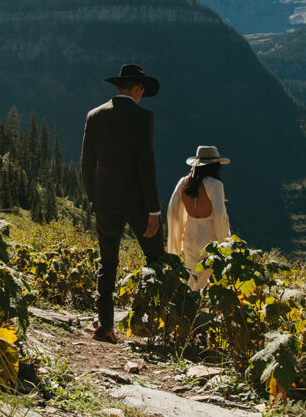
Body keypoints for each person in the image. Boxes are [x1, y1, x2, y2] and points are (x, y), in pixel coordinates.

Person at [81, 63, 166, 343]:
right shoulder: (143, 117)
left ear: (118, 86)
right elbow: (146, 166)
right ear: (138, 88)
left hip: (104, 200)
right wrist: (153, 209)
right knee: (155, 257)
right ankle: (143, 319)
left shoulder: (94, 116)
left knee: (107, 262)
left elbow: (86, 164)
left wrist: (95, 198)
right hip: (138, 203)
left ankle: (105, 325)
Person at [166, 145, 232, 291]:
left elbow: (172, 210)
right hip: (209, 236)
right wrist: (225, 241)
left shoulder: (184, 182)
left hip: (189, 235)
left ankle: (188, 307)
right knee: (206, 279)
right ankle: (201, 311)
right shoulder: (214, 184)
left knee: (192, 277)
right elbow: (220, 215)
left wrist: (177, 237)